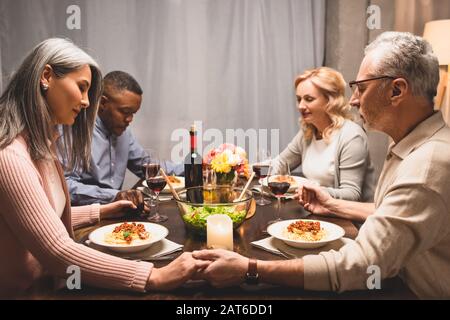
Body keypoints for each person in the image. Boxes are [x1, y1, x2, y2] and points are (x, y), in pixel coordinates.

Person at [193, 32, 450, 299]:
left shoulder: (426, 167)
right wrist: (331, 204)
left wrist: (251, 268)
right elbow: (388, 212)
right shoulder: (410, 146)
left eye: (361, 87)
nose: (354, 99)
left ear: (397, 90)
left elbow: (360, 265)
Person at [0, 38, 208, 295]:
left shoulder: (42, 143)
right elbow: (56, 250)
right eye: (82, 87)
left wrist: (105, 211)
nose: (88, 102)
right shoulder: (9, 156)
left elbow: (44, 217)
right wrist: (153, 276)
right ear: (46, 76)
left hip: (52, 284)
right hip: (31, 292)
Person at [64, 71, 183, 206]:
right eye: (125, 112)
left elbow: (148, 166)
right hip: (89, 216)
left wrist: (195, 167)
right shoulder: (76, 130)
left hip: (117, 211)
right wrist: (115, 196)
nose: (130, 119)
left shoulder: (124, 132)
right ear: (103, 103)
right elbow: (66, 186)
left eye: (133, 113)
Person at [270, 67, 375, 207]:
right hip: (317, 211)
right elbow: (281, 163)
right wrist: (242, 166)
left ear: (330, 101)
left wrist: (313, 191)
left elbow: (351, 194)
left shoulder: (351, 136)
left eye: (308, 99)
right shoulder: (308, 133)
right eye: (299, 99)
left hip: (348, 222)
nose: (301, 106)